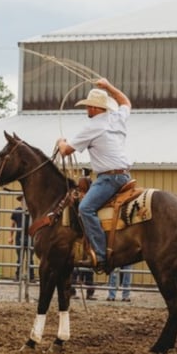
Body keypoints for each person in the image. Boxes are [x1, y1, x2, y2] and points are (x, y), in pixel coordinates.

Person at [56, 78, 132, 273]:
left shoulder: (92, 127)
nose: (87, 109)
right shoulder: (117, 117)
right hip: (124, 175)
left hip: (109, 178)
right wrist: (108, 86)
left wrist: (60, 142)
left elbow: (66, 151)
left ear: (96, 108)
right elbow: (125, 102)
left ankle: (100, 255)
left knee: (85, 208)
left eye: (89, 106)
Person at [9, 194, 34, 281]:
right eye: (23, 200)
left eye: (26, 200)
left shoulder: (32, 211)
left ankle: (31, 277)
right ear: (21, 201)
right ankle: (18, 276)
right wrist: (10, 237)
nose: (25, 202)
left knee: (30, 259)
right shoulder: (17, 211)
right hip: (19, 237)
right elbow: (12, 224)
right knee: (20, 258)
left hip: (31, 236)